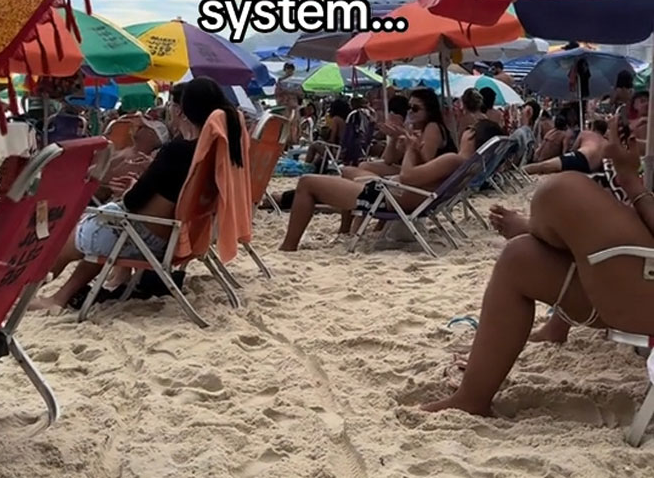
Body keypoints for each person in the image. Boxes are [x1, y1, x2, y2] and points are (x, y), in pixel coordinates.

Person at [421, 115, 654, 417]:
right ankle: (472, 397)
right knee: (520, 259)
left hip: (640, 294)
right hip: (637, 283)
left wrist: (631, 181)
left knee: (562, 191)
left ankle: (541, 230)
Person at [31, 77, 244, 310]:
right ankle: (57, 297)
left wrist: (131, 187)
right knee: (106, 230)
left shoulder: (177, 151)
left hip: (146, 236)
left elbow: (133, 202)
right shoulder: (213, 152)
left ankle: (31, 292)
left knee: (79, 234)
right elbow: (168, 193)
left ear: (180, 110)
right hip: (175, 236)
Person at [279, 119, 502, 251]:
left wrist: (411, 150)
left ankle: (288, 247)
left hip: (387, 198)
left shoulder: (454, 159)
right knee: (347, 171)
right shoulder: (464, 164)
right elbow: (426, 175)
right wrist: (408, 145)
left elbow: (407, 176)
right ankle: (346, 232)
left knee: (307, 183)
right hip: (395, 195)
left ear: (471, 135)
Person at [524, 118, 608, 175]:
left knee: (545, 166)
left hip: (581, 157)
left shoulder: (586, 134)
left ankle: (523, 170)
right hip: (590, 169)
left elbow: (574, 149)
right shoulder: (607, 143)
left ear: (593, 127)